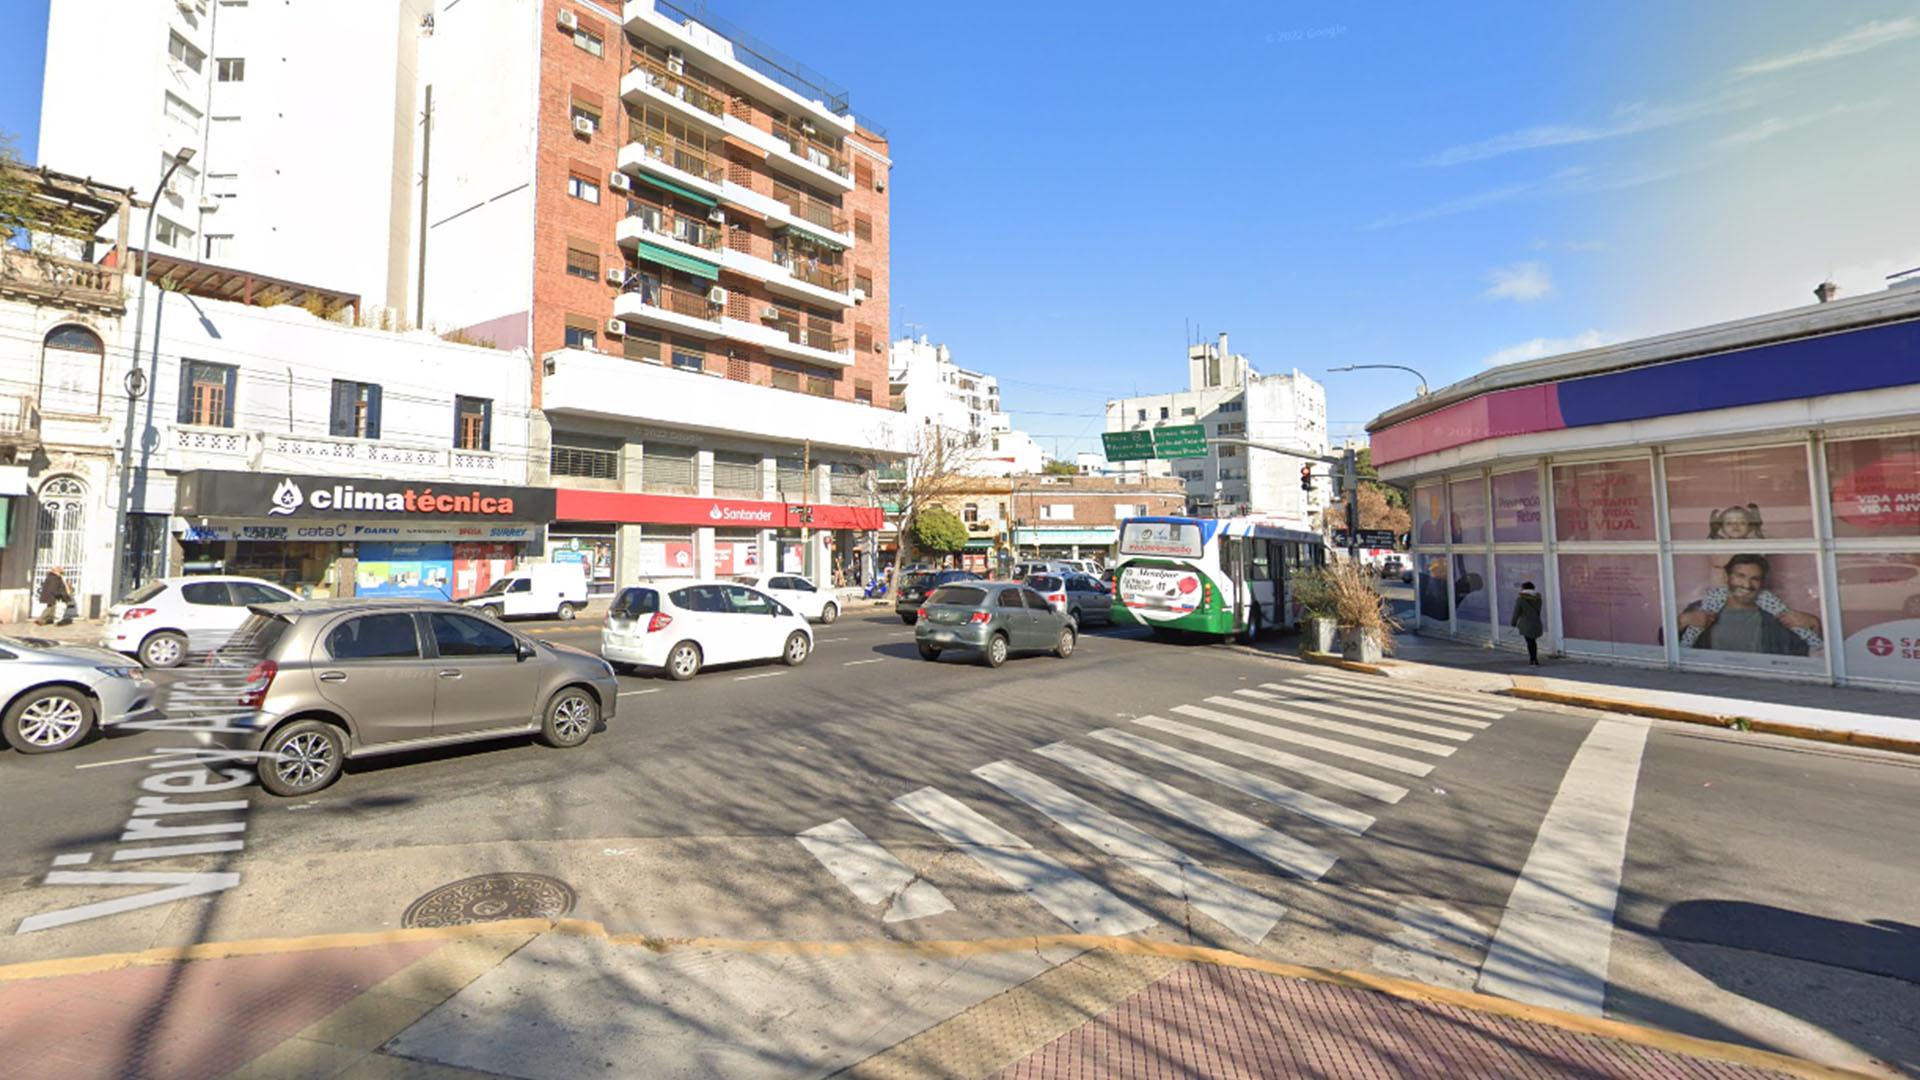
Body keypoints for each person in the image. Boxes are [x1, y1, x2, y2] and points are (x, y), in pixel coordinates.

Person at [1676, 554, 1821, 655]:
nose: (1746, 585)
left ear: (1762, 583)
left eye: (1755, 579)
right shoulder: (1700, 610)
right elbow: (1664, 647)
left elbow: (1807, 653)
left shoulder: (1777, 618)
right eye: (1740, 576)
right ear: (1726, 577)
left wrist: (1814, 624)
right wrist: (1681, 622)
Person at [1510, 580, 1544, 666]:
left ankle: (1532, 659)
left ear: (1524, 588)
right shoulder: (1538, 598)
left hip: (1526, 623)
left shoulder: (1521, 599)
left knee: (1529, 641)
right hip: (1536, 623)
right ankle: (1535, 659)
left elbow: (1516, 612)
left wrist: (1513, 622)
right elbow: (1538, 611)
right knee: (1533, 641)